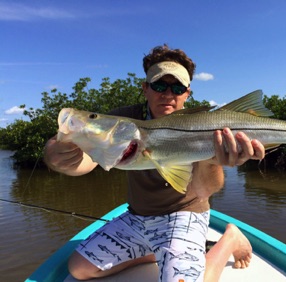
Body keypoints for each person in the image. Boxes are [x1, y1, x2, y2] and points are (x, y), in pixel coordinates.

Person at [44, 44, 265, 282]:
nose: (168, 94)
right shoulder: (125, 120)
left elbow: (203, 191)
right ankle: (156, 252)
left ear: (187, 93)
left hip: (185, 214)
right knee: (79, 269)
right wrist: (57, 157)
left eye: (177, 87)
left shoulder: (204, 124)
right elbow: (87, 160)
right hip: (137, 217)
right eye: (159, 85)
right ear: (145, 88)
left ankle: (229, 238)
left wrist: (212, 161)